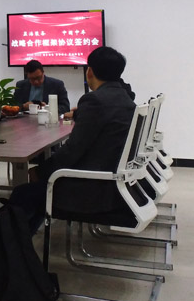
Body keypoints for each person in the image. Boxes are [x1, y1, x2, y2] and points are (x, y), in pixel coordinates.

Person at [9, 47, 136, 232]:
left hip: (92, 190)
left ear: (89, 71)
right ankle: (22, 237)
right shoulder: (125, 98)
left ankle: (12, 242)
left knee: (22, 193)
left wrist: (41, 171)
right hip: (114, 186)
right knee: (35, 190)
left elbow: (72, 150)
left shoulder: (95, 100)